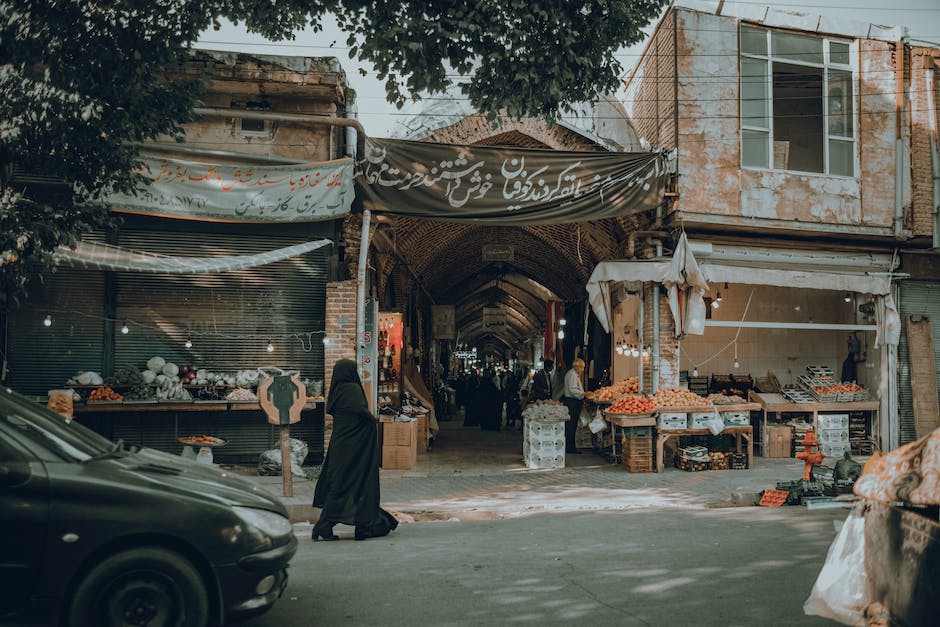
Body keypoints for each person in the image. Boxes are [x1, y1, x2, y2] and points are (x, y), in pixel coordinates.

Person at [311, 359, 399, 541]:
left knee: (341, 483)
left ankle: (326, 525)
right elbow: (361, 412)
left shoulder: (337, 390)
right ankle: (328, 524)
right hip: (354, 448)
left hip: (340, 445)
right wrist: (374, 420)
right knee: (354, 482)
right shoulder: (351, 389)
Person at [561, 358, 586, 454]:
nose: (583, 369)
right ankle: (570, 448)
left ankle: (570, 446)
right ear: (577, 366)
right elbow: (572, 389)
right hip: (572, 402)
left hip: (572, 401)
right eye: (582, 367)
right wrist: (582, 394)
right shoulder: (572, 375)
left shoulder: (574, 374)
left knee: (572, 425)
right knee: (571, 425)